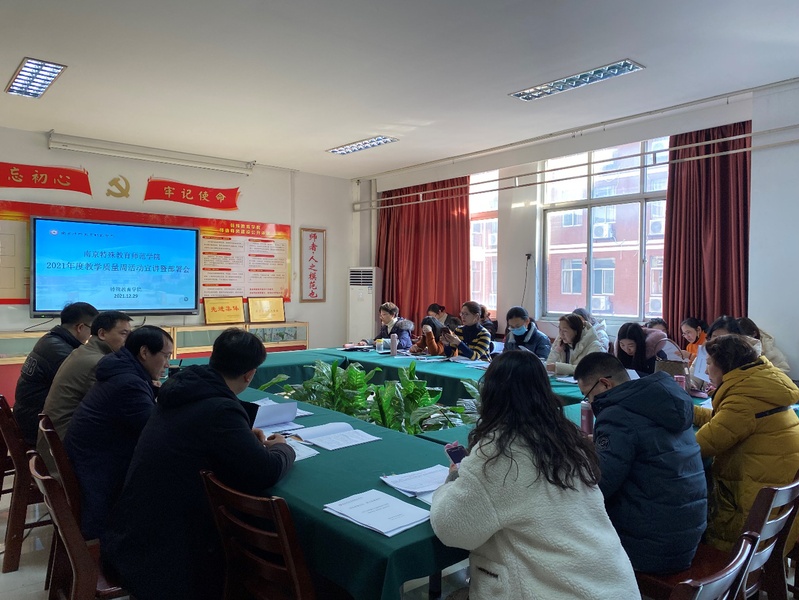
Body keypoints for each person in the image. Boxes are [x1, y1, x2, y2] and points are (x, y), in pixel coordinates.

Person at [103, 328, 295, 600]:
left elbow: (200, 436)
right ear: (250, 374)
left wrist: (240, 437)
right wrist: (283, 448)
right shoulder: (220, 408)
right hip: (168, 555)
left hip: (135, 531)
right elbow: (266, 470)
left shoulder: (184, 387)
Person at [431, 351, 639, 599]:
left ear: (490, 395)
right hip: (613, 584)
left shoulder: (499, 454)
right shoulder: (569, 440)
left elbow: (452, 528)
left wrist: (452, 480)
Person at [574, 353, 707, 573]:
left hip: (650, 547)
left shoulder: (617, 415)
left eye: (588, 395)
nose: (590, 402)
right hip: (688, 534)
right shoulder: (663, 401)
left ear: (605, 384)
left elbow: (601, 484)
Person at [65, 325, 172, 540]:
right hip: (101, 474)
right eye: (166, 356)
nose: (168, 363)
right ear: (144, 352)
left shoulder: (120, 369)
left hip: (92, 460)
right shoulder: (128, 383)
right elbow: (155, 433)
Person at [693, 334, 799, 553]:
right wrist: (688, 410)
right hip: (779, 506)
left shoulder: (742, 400)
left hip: (754, 516)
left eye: (710, 364)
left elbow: (700, 446)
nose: (706, 371)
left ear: (726, 367)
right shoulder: (759, 383)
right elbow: (724, 420)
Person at [37, 311, 132, 474]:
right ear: (102, 334)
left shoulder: (83, 351)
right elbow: (119, 408)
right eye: (123, 334)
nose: (128, 340)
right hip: (64, 452)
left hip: (53, 442)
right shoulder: (99, 363)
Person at [13, 301, 98, 446]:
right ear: (80, 327)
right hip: (38, 424)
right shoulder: (62, 353)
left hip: (28, 416)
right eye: (93, 329)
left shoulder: (50, 340)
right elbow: (85, 389)